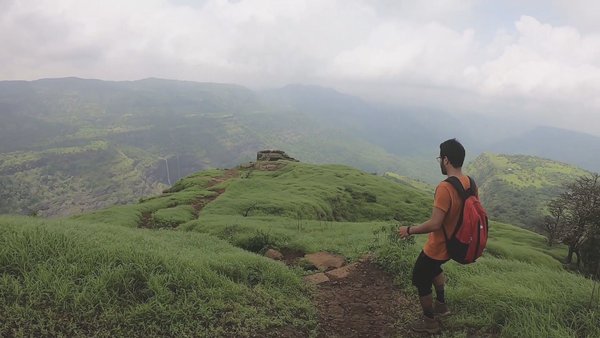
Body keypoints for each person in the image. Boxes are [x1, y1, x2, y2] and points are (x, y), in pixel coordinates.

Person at [398, 138, 475, 334]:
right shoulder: (470, 183)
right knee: (435, 268)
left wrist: (409, 230)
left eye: (440, 158)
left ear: (446, 160)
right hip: (456, 245)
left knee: (420, 277)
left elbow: (435, 223)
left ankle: (429, 322)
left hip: (439, 246)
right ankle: (441, 306)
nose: (440, 161)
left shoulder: (445, 187)